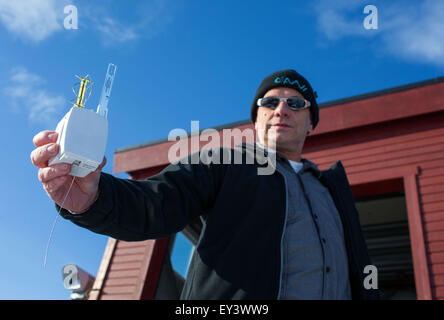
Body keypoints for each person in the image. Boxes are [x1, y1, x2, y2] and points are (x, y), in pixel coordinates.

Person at [31, 69, 379, 300]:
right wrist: (94, 197)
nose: (281, 110)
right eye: (270, 102)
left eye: (296, 104)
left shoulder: (334, 192)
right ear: (256, 118)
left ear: (312, 122)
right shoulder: (224, 164)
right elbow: (158, 202)